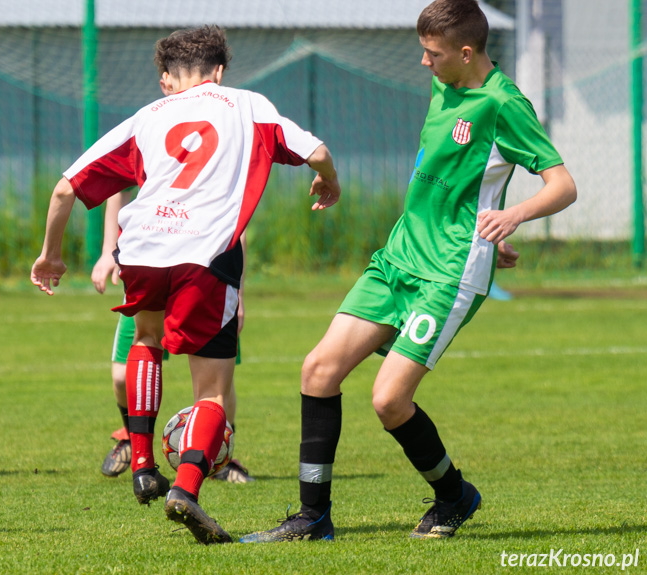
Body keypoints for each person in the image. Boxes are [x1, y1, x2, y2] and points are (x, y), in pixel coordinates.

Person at [240, 0, 576, 543]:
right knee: (318, 370)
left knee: (388, 400)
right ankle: (312, 519)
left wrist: (511, 217)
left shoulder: (503, 103)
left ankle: (454, 496)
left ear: (466, 53)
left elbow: (563, 185)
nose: (424, 63)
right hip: (397, 257)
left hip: (447, 273)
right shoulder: (446, 86)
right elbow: (456, 174)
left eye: (433, 54)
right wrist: (477, 224)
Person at [32, 25, 340, 544]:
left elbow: (65, 188)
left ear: (167, 80)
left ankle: (144, 462)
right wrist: (328, 180)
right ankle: (188, 489)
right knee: (213, 390)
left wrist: (51, 255)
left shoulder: (147, 117)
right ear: (219, 71)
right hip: (206, 254)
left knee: (147, 341)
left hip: (144, 248)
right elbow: (316, 150)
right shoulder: (248, 105)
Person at [92, 191, 253, 484]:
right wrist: (109, 251)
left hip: (203, 270)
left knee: (216, 381)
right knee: (120, 375)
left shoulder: (224, 149)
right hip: (151, 261)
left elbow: (236, 216)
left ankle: (219, 452)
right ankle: (133, 438)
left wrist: (238, 292)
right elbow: (117, 188)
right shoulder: (153, 145)